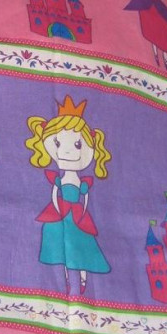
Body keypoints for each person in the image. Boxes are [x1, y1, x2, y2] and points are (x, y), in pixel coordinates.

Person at [25, 95, 111, 293]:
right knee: (58, 249)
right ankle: (65, 280)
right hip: (62, 213)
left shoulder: (81, 182)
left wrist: (82, 205)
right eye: (58, 143)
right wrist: (58, 207)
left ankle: (82, 280)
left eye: (78, 145)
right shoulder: (59, 180)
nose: (67, 152)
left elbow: (84, 198)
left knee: (83, 248)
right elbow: (55, 195)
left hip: (77, 215)